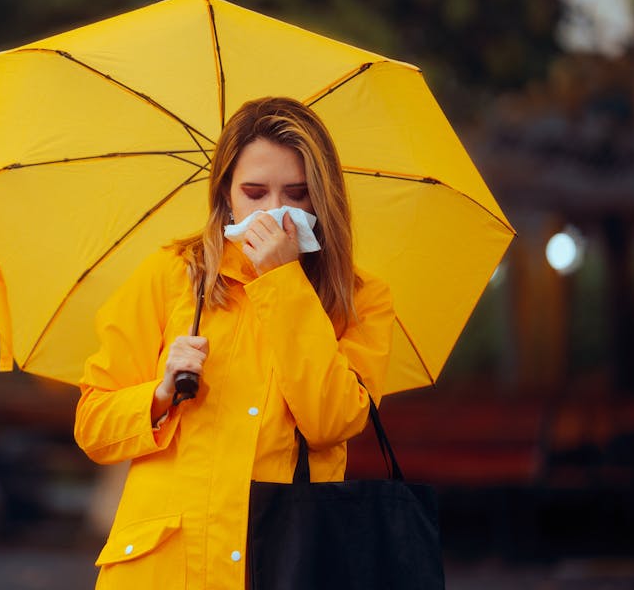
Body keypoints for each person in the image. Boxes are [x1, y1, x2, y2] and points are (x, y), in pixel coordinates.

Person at [73, 96, 396, 590]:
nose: (274, 212)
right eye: (254, 192)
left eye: (297, 194)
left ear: (321, 200)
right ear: (225, 195)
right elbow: (94, 425)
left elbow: (334, 419)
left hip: (288, 563)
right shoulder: (172, 275)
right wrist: (158, 395)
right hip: (168, 569)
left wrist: (284, 282)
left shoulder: (359, 298)